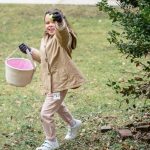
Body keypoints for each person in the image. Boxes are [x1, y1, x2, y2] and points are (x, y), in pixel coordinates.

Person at [19, 8, 85, 150]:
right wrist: (29, 51)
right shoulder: (46, 39)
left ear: (61, 22)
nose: (50, 25)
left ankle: (51, 141)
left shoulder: (63, 38)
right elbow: (44, 58)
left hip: (61, 81)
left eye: (54, 21)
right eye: (47, 22)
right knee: (58, 106)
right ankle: (74, 124)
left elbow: (64, 34)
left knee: (46, 113)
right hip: (51, 82)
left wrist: (60, 24)